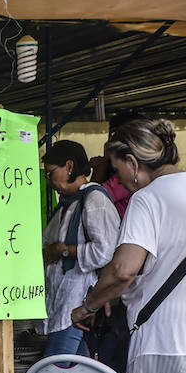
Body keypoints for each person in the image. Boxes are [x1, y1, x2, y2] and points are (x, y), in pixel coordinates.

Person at [70, 120, 186, 373]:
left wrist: (88, 305)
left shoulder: (147, 199)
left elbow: (124, 269)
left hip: (159, 347)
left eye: (118, 170)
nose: (118, 179)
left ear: (133, 162)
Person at [41, 140, 122, 360]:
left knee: (54, 372)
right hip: (61, 302)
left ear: (69, 167)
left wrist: (65, 250)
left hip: (77, 303)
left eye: (50, 173)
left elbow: (106, 250)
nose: (48, 181)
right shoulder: (68, 203)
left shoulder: (95, 199)